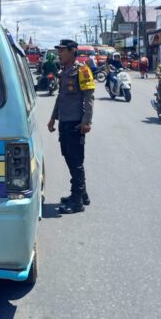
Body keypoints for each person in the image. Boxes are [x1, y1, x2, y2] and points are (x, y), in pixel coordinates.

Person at [47, 39, 95, 214]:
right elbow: (60, 97)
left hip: (76, 122)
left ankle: (77, 202)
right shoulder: (64, 72)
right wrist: (53, 117)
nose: (59, 53)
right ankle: (81, 194)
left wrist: (87, 121)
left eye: (62, 51)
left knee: (76, 162)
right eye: (58, 50)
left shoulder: (82, 70)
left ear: (72, 52)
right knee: (68, 156)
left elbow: (89, 97)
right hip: (64, 121)